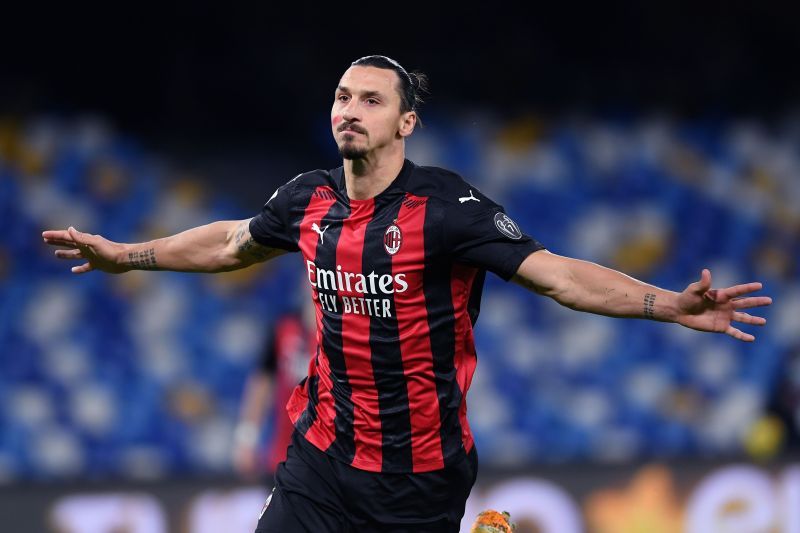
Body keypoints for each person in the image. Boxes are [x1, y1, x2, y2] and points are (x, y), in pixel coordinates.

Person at [43, 55, 772, 532]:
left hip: (418, 476)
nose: (349, 109)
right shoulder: (307, 198)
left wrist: (665, 303)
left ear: (405, 121)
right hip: (321, 457)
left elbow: (561, 276)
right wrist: (128, 255)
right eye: (341, 96)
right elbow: (231, 243)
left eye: (370, 99)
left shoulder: (450, 208)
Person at [232, 292, 316, 479]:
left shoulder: (346, 333)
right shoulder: (284, 327)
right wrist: (247, 439)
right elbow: (262, 381)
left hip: (330, 457)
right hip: (284, 454)